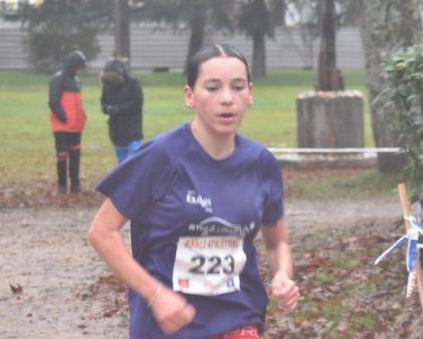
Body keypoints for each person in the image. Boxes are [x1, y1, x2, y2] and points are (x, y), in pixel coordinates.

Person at [88, 43, 299, 338]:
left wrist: (283, 275)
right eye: (212, 88)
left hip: (238, 319)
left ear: (250, 94)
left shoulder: (261, 162)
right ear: (190, 96)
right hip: (168, 325)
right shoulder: (161, 156)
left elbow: (277, 243)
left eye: (237, 87)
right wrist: (156, 294)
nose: (227, 99)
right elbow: (102, 232)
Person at [48, 50, 87, 194]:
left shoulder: (76, 81)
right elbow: (53, 102)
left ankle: (75, 184)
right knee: (62, 156)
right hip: (62, 127)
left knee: (76, 156)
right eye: (79, 67)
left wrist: (82, 118)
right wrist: (64, 118)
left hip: (76, 127)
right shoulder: (57, 79)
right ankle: (62, 185)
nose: (80, 70)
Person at [100, 56, 144, 164]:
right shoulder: (107, 86)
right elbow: (103, 103)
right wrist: (107, 108)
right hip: (116, 130)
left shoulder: (133, 84)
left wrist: (118, 108)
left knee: (134, 161)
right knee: (122, 162)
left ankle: (135, 180)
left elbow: (137, 103)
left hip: (132, 128)